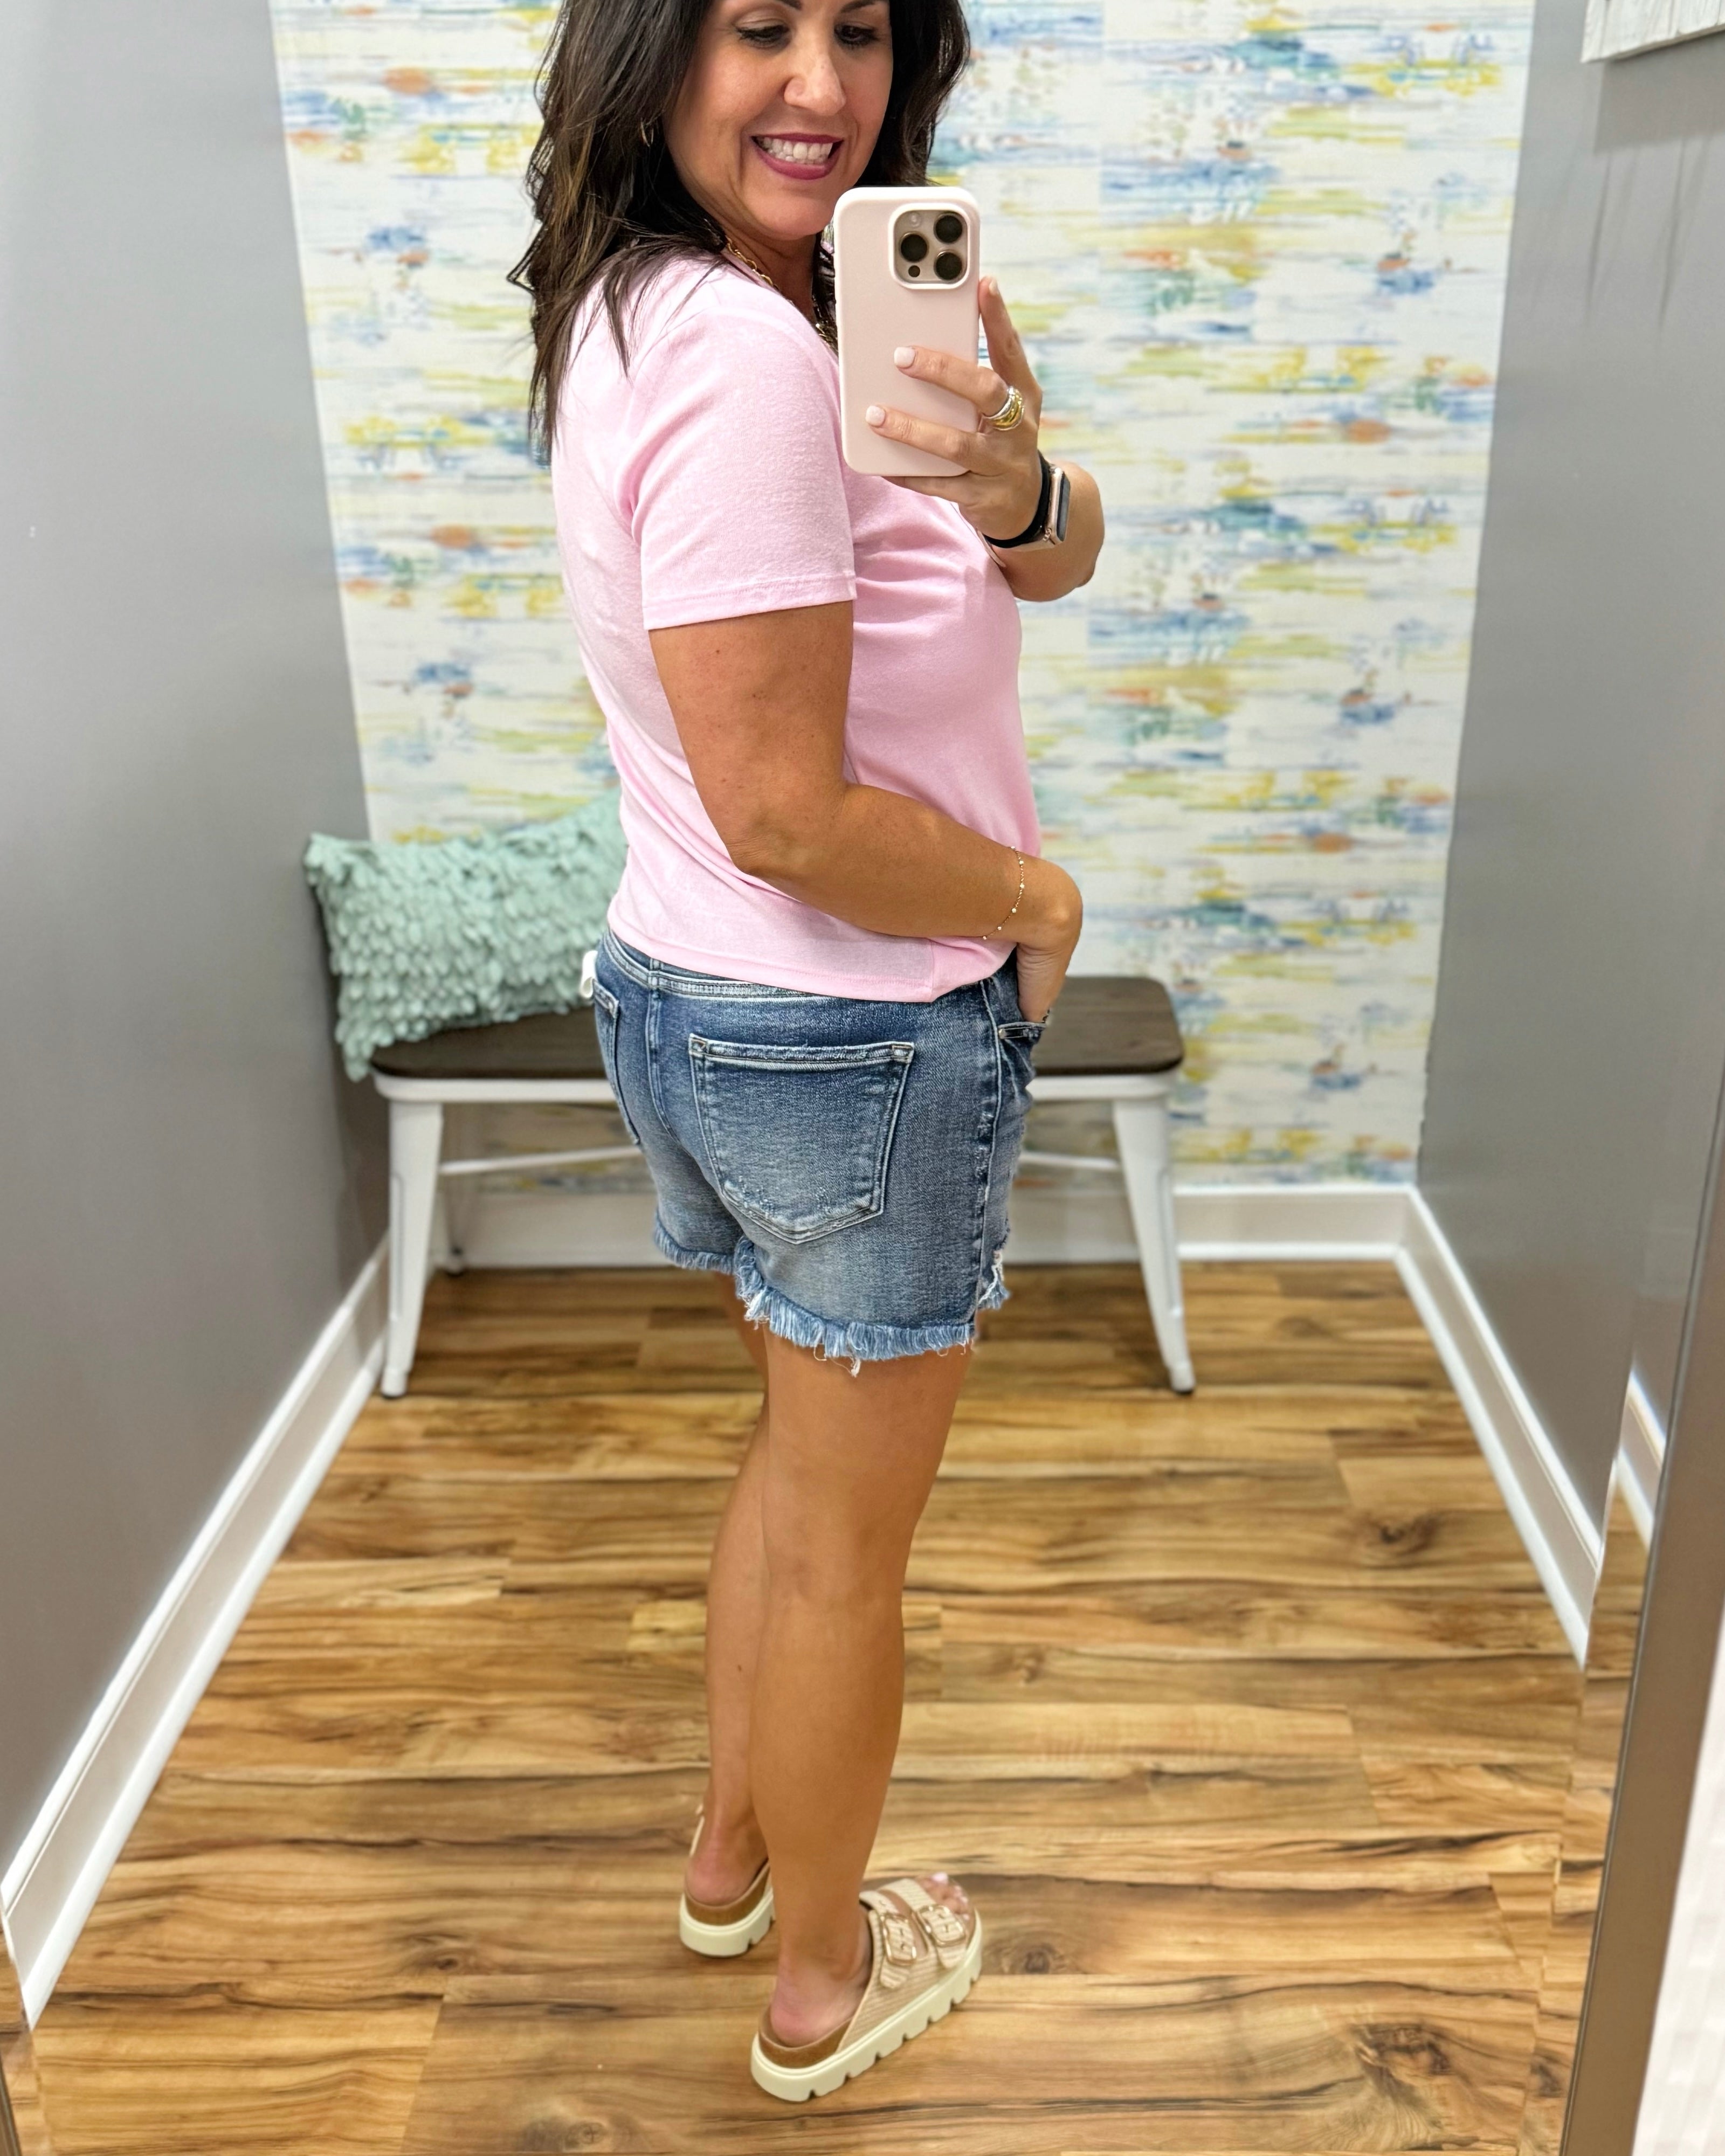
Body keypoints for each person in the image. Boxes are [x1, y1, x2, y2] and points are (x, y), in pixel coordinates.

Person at [514, 0, 1103, 2103]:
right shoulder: (755, 361)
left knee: (789, 1454)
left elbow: (1052, 553)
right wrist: (1030, 903)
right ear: (649, 53)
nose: (818, 84)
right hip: (845, 1031)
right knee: (851, 1542)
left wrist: (1021, 479)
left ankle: (729, 1849)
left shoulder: (680, 296)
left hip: (687, 1000)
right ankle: (820, 1980)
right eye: (753, 26)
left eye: (854, 27)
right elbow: (783, 808)